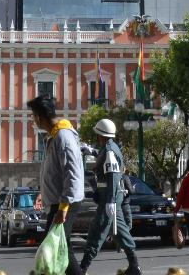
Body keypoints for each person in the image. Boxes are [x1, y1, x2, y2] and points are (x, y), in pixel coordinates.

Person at [29, 93, 85, 275]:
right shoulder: (54, 136)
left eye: (33, 116)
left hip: (65, 203)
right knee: (59, 248)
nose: (34, 120)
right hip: (58, 202)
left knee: (56, 248)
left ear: (39, 117)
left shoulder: (63, 137)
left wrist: (63, 207)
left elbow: (73, 173)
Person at [78, 118, 141, 275]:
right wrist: (91, 151)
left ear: (102, 134)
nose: (96, 137)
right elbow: (105, 159)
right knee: (121, 231)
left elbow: (112, 175)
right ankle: (134, 266)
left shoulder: (109, 150)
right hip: (111, 196)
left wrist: (111, 200)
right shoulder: (109, 148)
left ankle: (82, 268)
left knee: (97, 230)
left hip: (109, 197)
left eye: (98, 134)